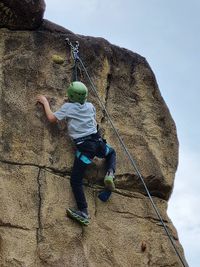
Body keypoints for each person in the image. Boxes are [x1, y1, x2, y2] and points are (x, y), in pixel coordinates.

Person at [37, 81, 116, 224]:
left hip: (86, 149)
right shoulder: (91, 106)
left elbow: (52, 119)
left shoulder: (68, 108)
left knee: (76, 180)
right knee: (111, 152)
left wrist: (44, 102)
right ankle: (110, 173)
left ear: (70, 96)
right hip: (98, 143)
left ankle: (84, 212)